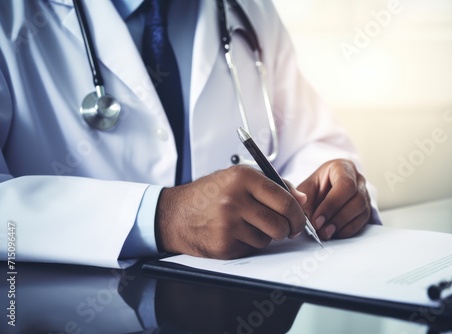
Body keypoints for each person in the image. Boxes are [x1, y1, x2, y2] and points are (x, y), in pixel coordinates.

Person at [0, 0, 379, 269]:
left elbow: (312, 139)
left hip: (237, 307)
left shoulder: (249, 8)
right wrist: (160, 217)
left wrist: (331, 185)